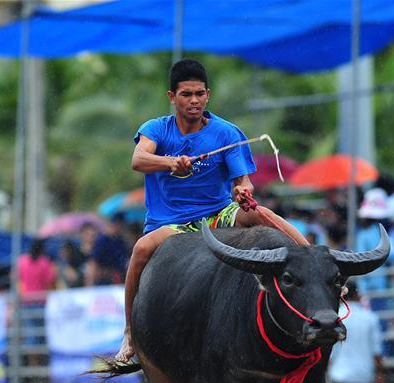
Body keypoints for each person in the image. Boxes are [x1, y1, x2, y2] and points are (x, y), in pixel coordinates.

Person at [115, 58, 307, 362]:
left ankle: (312, 260)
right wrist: (170, 162)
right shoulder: (156, 129)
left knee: (261, 214)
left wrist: (243, 192)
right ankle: (130, 332)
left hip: (217, 213)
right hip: (172, 223)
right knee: (141, 249)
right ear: (172, 97)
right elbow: (138, 160)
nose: (194, 101)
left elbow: (243, 181)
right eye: (186, 94)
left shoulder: (226, 133)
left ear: (208, 95)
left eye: (199, 94)